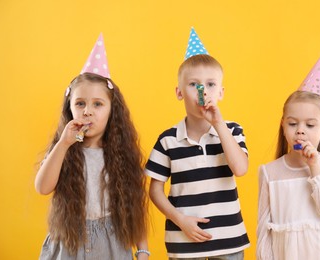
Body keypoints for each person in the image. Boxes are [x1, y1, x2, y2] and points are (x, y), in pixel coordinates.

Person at [35, 34, 150, 260]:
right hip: (69, 243)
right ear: (70, 109)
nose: (88, 111)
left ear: (111, 111)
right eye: (80, 104)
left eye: (98, 104)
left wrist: (143, 251)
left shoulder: (121, 156)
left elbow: (135, 205)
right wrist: (63, 144)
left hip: (112, 244)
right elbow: (42, 187)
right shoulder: (63, 151)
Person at [146, 28, 250, 259]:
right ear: (179, 92)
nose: (203, 91)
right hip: (183, 243)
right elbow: (155, 190)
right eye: (194, 84)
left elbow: (240, 169)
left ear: (221, 92)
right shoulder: (168, 140)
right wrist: (179, 220)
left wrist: (219, 124)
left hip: (228, 241)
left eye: (211, 84)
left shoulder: (232, 130)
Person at [256, 54, 320, 259]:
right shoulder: (269, 172)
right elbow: (263, 229)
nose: (300, 131)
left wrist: (315, 167)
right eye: (292, 124)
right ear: (283, 126)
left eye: (310, 125)